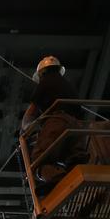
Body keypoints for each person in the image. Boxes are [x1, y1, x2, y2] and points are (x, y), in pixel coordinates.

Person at [21, 56, 85, 189]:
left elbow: (30, 114)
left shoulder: (45, 82)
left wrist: (26, 129)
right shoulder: (68, 85)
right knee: (75, 158)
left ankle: (60, 184)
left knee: (38, 162)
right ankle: (80, 181)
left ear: (42, 73)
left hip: (57, 122)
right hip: (77, 127)